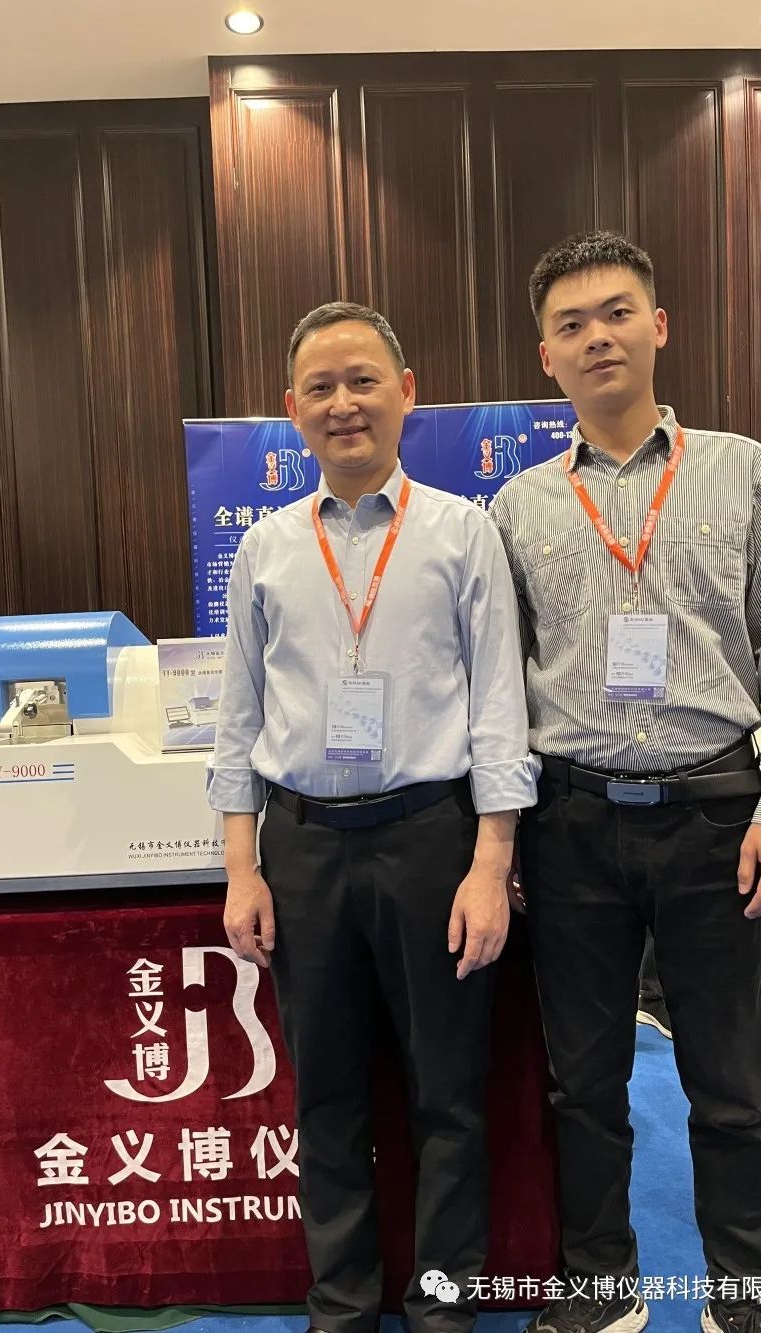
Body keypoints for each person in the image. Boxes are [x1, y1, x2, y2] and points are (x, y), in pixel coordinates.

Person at [489, 232, 761, 1333]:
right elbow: (500, 686)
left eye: (618, 312)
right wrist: (506, 835)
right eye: (572, 323)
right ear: (546, 355)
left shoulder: (744, 470)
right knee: (582, 1085)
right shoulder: (518, 506)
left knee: (728, 1086)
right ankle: (603, 1287)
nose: (598, 336)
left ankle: (740, 1298)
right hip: (572, 821)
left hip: (715, 818)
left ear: (659, 326)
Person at [209, 301, 538, 1333]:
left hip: (431, 839)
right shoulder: (264, 548)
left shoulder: (462, 532)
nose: (343, 403)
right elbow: (237, 722)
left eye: (363, 380)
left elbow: (498, 709)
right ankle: (341, 1308)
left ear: (407, 391)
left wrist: (490, 863)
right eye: (321, 387)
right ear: (291, 409)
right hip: (303, 848)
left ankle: (441, 1311)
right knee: (325, 1097)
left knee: (448, 1094)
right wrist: (241, 868)